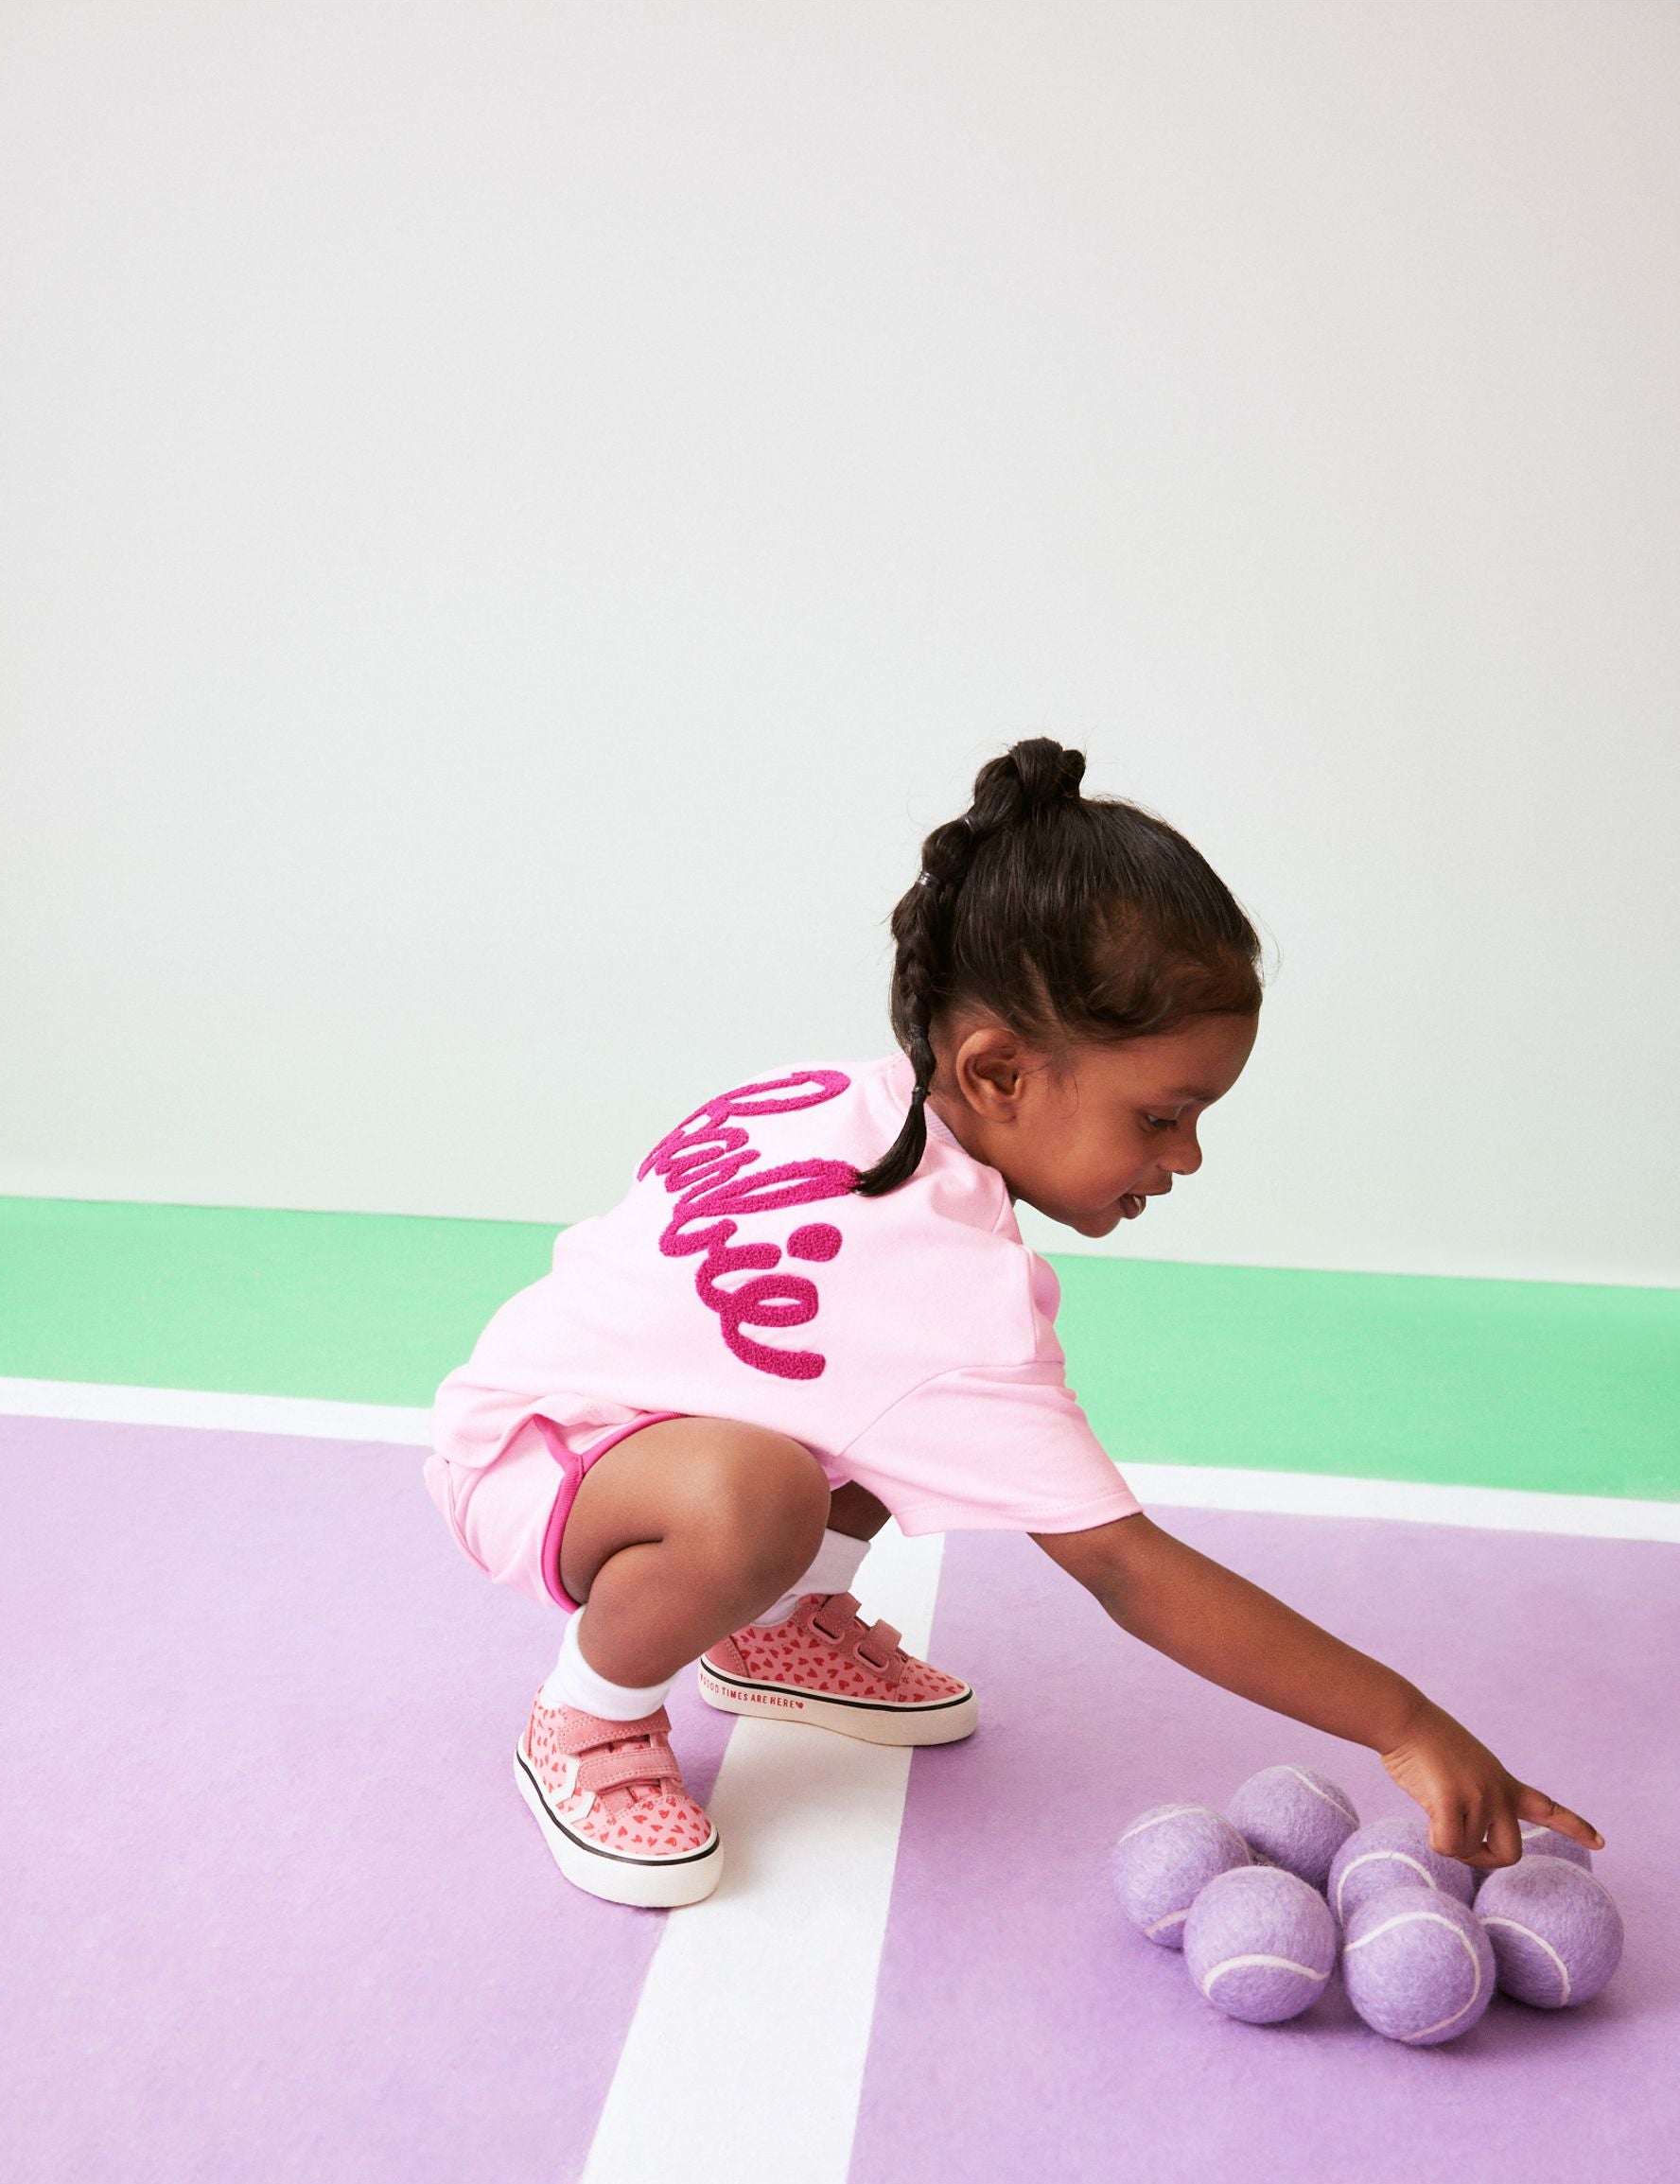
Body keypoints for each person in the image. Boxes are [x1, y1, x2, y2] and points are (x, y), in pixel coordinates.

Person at [424, 736, 1604, 1911]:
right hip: (536, 1459)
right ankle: (587, 1719)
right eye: (1162, 1114)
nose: (1187, 1156)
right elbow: (1131, 1575)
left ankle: (769, 1632)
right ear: (997, 1073)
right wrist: (1405, 1724)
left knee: (896, 1420)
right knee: (762, 1493)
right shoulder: (954, 1301)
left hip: (576, 1412)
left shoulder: (839, 1096)